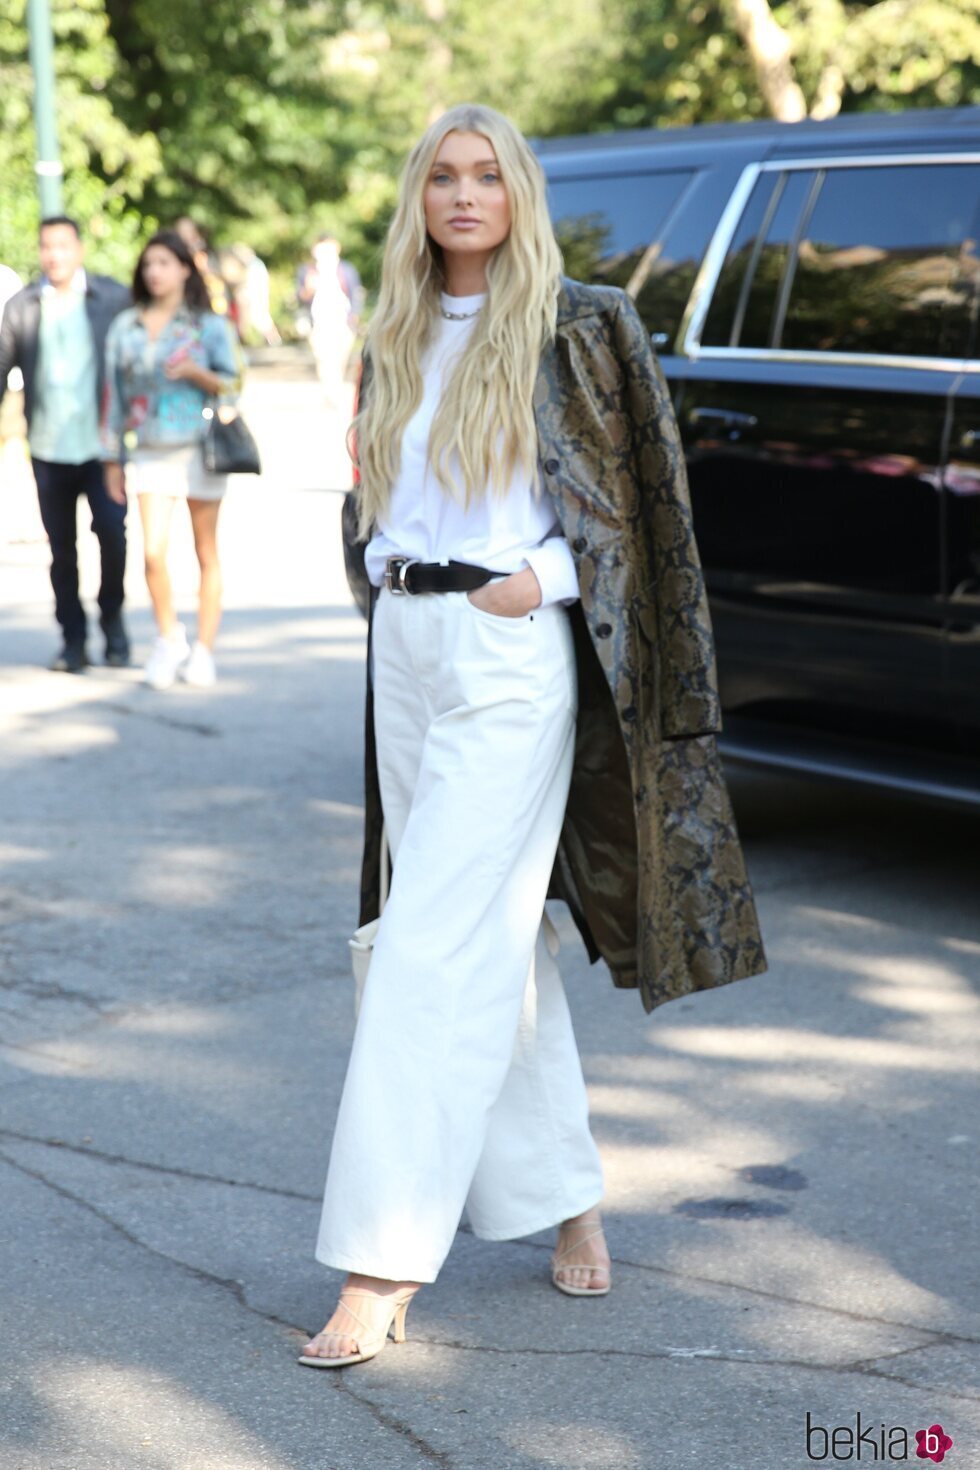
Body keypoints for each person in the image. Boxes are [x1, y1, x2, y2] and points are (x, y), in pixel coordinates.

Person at [300, 103, 767, 1369]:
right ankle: (568, 1195)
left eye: (485, 176)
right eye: (441, 177)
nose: (463, 196)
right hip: (403, 646)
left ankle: (379, 1262)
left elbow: (643, 507)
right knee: (480, 943)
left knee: (424, 948)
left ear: (517, 194)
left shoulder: (581, 321)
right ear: (418, 199)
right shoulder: (392, 331)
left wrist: (545, 583)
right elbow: (374, 494)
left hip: (510, 651)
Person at [101, 229, 243, 690]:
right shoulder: (127, 326)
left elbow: (235, 383)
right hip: (150, 451)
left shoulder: (207, 324)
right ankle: (169, 639)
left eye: (164, 262)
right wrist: (111, 458)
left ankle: (204, 649)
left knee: (206, 552)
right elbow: (113, 396)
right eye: (148, 264)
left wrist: (197, 372)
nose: (155, 272)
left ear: (185, 267)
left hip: (200, 448)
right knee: (153, 553)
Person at [0, 218, 130, 672]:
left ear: (79, 247)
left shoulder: (112, 297)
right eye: (46, 247)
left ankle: (112, 618)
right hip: (49, 446)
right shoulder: (23, 306)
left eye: (62, 245)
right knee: (62, 550)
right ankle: (72, 638)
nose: (54, 255)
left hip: (103, 447)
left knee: (113, 533)